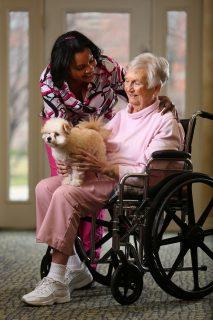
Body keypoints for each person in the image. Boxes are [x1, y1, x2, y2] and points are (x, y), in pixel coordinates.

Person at [22, 52, 184, 306]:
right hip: (99, 176)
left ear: (156, 87)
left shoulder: (164, 122)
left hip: (126, 183)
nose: (128, 88)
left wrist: (106, 168)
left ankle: (56, 282)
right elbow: (96, 146)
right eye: (127, 81)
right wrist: (75, 161)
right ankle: (75, 268)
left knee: (66, 194)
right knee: (45, 188)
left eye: (137, 83)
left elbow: (151, 174)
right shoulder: (121, 116)